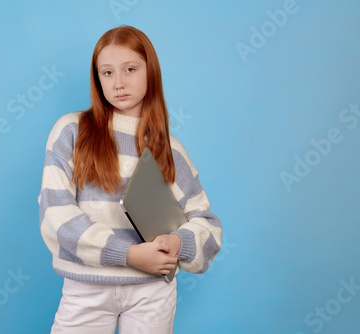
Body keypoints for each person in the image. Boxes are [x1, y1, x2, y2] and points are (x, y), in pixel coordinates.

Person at [38, 25, 222, 334]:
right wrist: (129, 254)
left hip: (152, 293)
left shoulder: (171, 150)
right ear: (97, 79)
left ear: (151, 71)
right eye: (107, 73)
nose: (119, 83)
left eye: (130, 69)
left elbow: (208, 226)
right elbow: (55, 216)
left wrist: (176, 242)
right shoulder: (72, 131)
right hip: (87, 287)